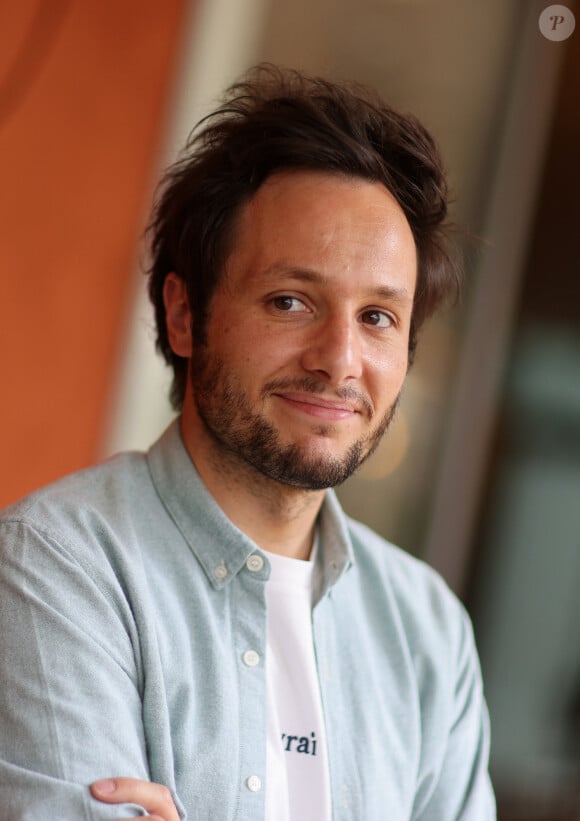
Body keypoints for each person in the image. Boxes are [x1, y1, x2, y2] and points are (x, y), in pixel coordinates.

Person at [0, 65, 495, 820]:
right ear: (185, 315)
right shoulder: (56, 568)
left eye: (378, 317)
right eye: (290, 301)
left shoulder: (428, 632)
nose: (339, 358)